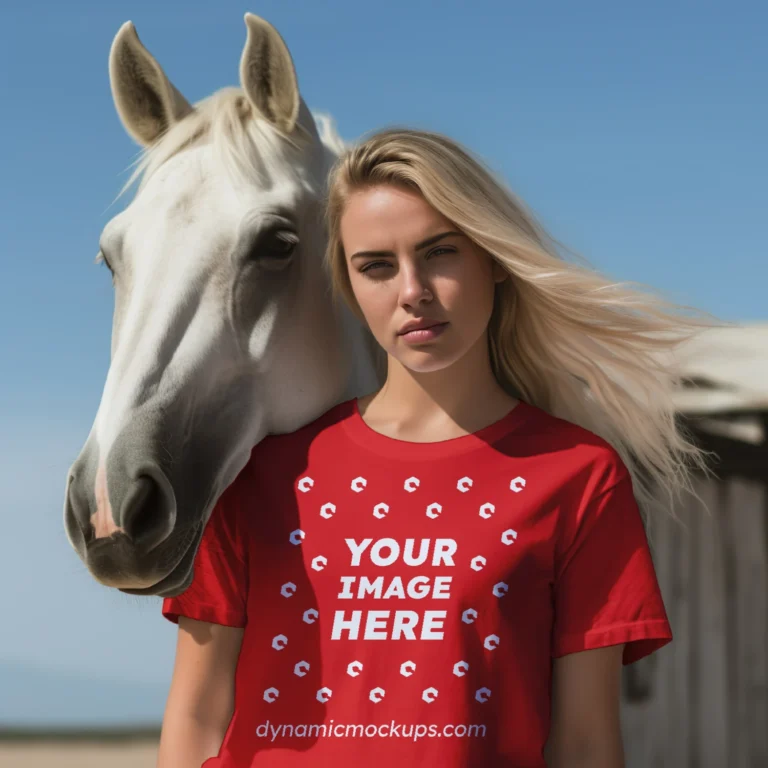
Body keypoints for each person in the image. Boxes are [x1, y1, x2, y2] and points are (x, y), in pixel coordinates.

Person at [158, 127, 718, 768]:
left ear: (494, 260)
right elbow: (197, 713)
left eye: (440, 253)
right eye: (376, 266)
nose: (411, 290)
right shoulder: (264, 477)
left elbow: (586, 742)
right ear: (349, 285)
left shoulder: (577, 475)